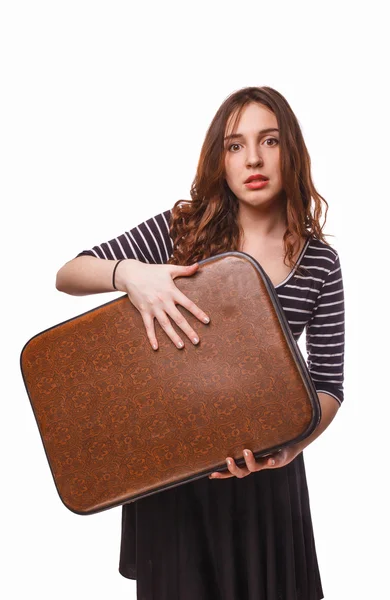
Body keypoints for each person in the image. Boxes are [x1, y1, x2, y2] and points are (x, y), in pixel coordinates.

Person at [56, 86, 345, 600]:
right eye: (235, 145)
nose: (253, 158)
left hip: (265, 476)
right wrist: (131, 276)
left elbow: (328, 385)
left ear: (292, 152)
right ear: (221, 159)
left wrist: (292, 446)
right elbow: (69, 273)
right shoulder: (181, 228)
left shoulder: (320, 261)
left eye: (269, 141)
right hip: (174, 473)